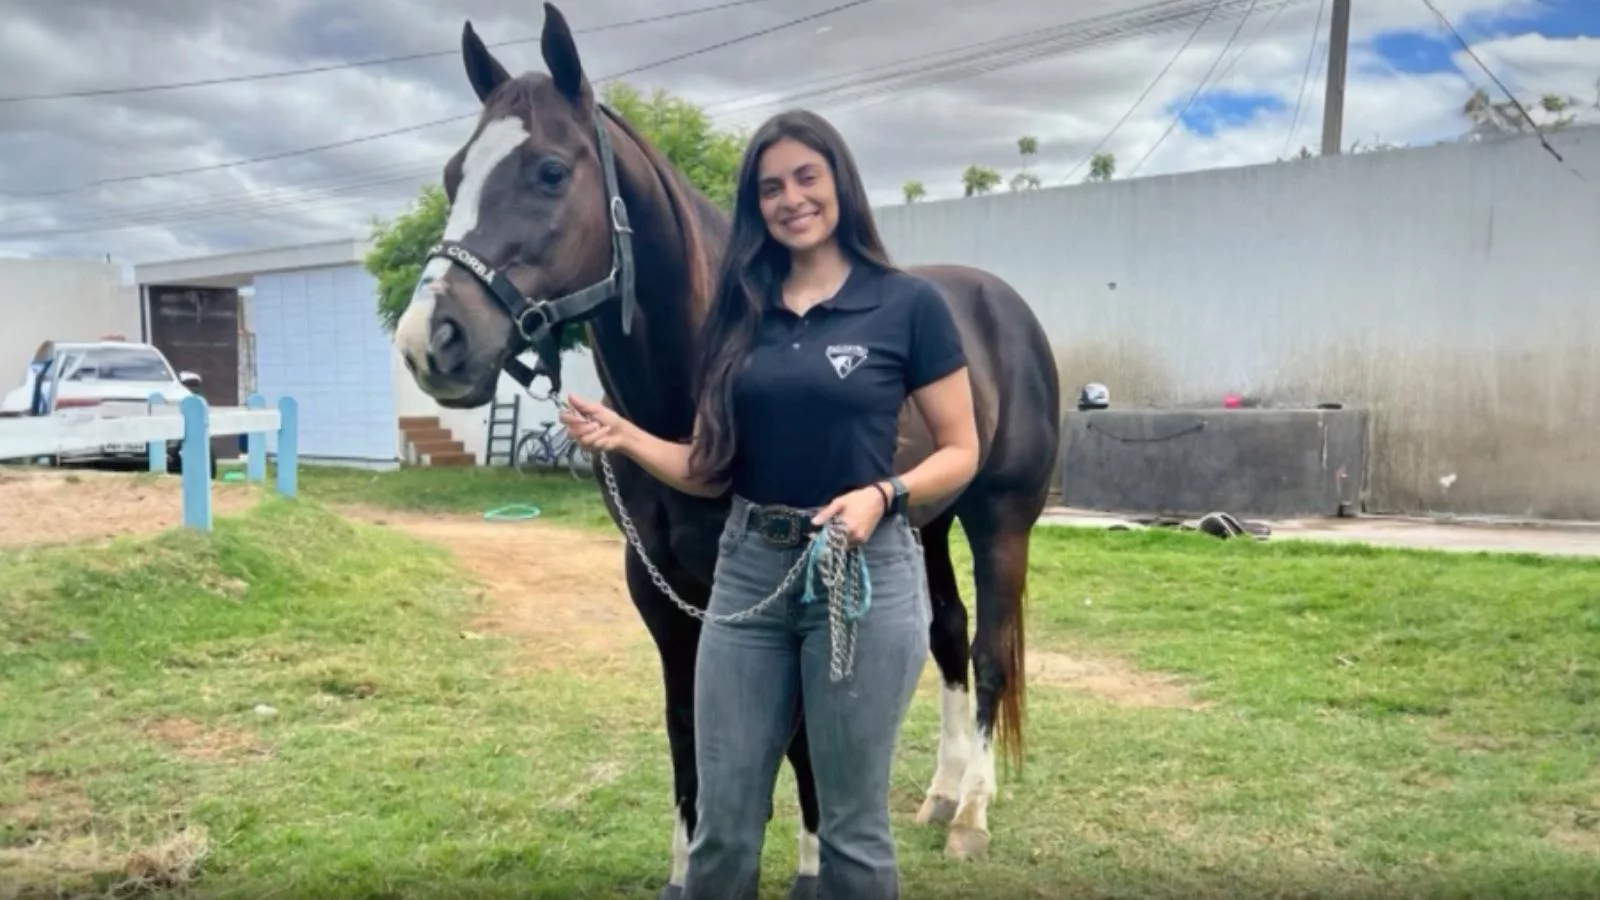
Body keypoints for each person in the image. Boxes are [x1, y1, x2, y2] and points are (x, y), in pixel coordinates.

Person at [560, 108, 979, 899]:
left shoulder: (907, 304)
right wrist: (625, 436)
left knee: (853, 831)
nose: (791, 199)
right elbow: (710, 466)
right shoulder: (738, 310)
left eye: (806, 178)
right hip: (749, 574)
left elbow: (962, 450)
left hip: (863, 573)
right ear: (756, 205)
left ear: (840, 184)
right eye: (770, 187)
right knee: (723, 825)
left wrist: (883, 494)